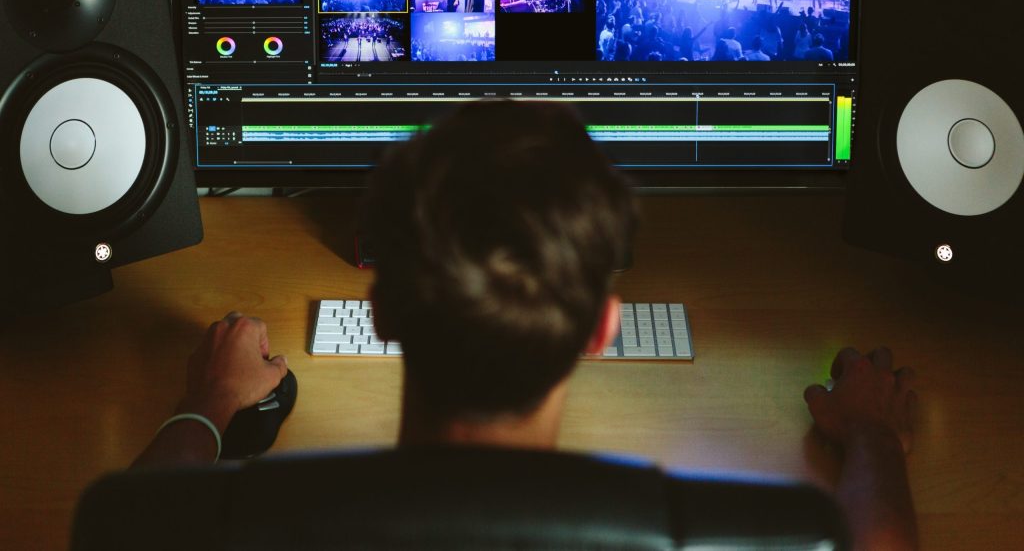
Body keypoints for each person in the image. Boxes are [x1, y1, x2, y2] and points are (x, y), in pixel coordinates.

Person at [132, 100, 918, 551]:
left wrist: (204, 407)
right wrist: (874, 438)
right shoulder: (734, 533)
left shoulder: (247, 528)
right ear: (603, 328)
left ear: (380, 312)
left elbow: (134, 522)